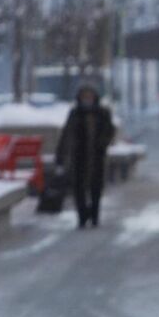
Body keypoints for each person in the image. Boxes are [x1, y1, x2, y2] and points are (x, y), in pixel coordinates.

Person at [55, 85, 116, 228]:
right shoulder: (75, 113)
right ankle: (82, 216)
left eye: (89, 96)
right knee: (79, 187)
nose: (87, 99)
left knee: (96, 187)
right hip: (79, 155)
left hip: (97, 155)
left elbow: (109, 131)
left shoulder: (102, 113)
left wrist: (103, 143)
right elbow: (67, 134)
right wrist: (61, 155)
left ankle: (94, 216)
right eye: (84, 96)